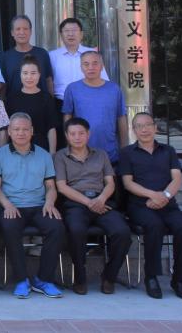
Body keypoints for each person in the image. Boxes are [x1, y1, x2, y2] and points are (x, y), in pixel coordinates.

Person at [119, 112, 182, 300]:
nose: (144, 129)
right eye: (139, 126)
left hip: (168, 204)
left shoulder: (168, 151)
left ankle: (179, 280)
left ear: (155, 127)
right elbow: (128, 183)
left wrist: (165, 196)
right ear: (134, 130)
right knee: (154, 226)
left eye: (147, 125)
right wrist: (153, 195)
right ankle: (151, 277)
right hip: (140, 205)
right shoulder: (127, 153)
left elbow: (177, 178)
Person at [0, 113, 64, 299]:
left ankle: (43, 279)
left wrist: (49, 203)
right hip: (12, 205)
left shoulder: (44, 155)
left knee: (56, 227)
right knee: (9, 227)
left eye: (25, 129)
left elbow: (50, 186)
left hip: (39, 205)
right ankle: (21, 280)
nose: (20, 133)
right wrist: (7, 205)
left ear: (32, 131)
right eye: (16, 129)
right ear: (9, 131)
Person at [55, 117, 132, 295]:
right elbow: (62, 187)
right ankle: (80, 277)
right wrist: (88, 202)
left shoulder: (101, 154)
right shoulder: (60, 156)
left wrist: (101, 199)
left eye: (81, 133)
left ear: (88, 134)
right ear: (66, 136)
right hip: (75, 203)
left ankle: (109, 276)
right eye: (73, 134)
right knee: (75, 230)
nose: (77, 137)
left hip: (101, 201)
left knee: (122, 232)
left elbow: (110, 183)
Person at [62, 51, 128, 164]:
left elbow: (121, 118)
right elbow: (67, 117)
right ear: (81, 67)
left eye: (95, 63)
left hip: (110, 152)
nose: (91, 67)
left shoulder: (114, 89)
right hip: (81, 153)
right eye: (86, 64)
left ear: (101, 66)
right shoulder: (72, 89)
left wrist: (124, 147)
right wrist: (68, 143)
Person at [5, 55, 59, 152]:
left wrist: (52, 154)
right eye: (25, 73)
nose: (29, 77)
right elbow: (6, 128)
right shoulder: (11, 98)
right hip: (16, 149)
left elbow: (51, 129)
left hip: (40, 149)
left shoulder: (46, 98)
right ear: (20, 75)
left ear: (39, 75)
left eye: (33, 73)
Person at [51, 18, 108, 102]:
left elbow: (103, 79)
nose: (70, 34)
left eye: (74, 30)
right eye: (66, 31)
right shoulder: (52, 56)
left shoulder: (92, 54)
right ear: (61, 35)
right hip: (60, 102)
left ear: (81, 34)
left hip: (89, 100)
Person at [0, 16, 54, 99]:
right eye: (18, 29)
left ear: (30, 31)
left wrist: (51, 100)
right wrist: (2, 102)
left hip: (41, 102)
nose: (22, 32)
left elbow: (48, 79)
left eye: (25, 29)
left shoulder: (42, 53)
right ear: (12, 33)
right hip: (14, 104)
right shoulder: (5, 57)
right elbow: (3, 85)